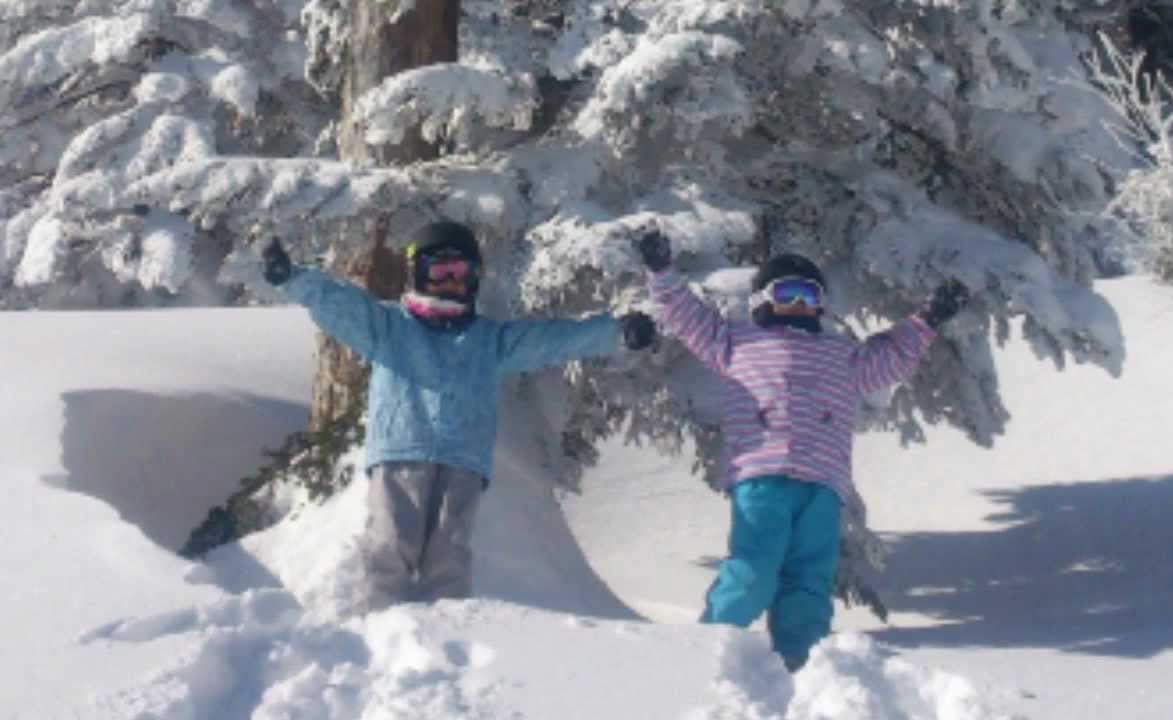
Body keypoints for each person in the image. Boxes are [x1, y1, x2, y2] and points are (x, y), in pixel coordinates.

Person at [262, 221, 657, 608]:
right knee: (391, 543)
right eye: (439, 273)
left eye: (460, 273)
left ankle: (444, 634)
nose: (450, 283)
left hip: (463, 460)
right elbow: (340, 306)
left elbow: (549, 341)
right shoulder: (391, 327)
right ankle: (379, 627)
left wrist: (614, 332)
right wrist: (293, 279)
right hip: (401, 451)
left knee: (448, 556)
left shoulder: (488, 340)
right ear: (417, 273)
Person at [634, 230, 968, 671]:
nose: (799, 305)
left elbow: (890, 357)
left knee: (809, 581)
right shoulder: (736, 343)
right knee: (753, 572)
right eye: (788, 293)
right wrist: (662, 273)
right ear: (761, 301)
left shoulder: (841, 355)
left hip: (822, 485)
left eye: (809, 297)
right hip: (762, 477)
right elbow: (688, 317)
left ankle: (802, 664)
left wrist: (927, 320)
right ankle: (710, 651)